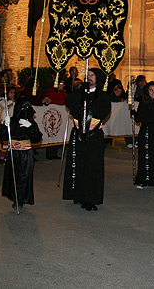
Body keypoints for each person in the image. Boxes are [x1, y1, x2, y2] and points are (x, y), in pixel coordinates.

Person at [63, 68, 111, 211]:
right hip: (78, 134)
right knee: (78, 164)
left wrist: (89, 99)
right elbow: (69, 103)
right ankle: (77, 193)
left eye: (92, 76)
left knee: (92, 166)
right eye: (88, 75)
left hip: (93, 135)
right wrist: (80, 92)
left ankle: (90, 198)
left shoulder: (102, 96)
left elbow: (102, 111)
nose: (89, 78)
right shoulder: (80, 92)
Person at [0, 97, 43, 210]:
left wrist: (30, 127)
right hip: (13, 153)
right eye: (22, 108)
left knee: (24, 177)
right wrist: (4, 124)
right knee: (12, 176)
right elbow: (2, 136)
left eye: (27, 108)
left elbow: (37, 138)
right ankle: (14, 198)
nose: (25, 110)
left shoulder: (30, 122)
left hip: (26, 154)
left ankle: (21, 199)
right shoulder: (12, 121)